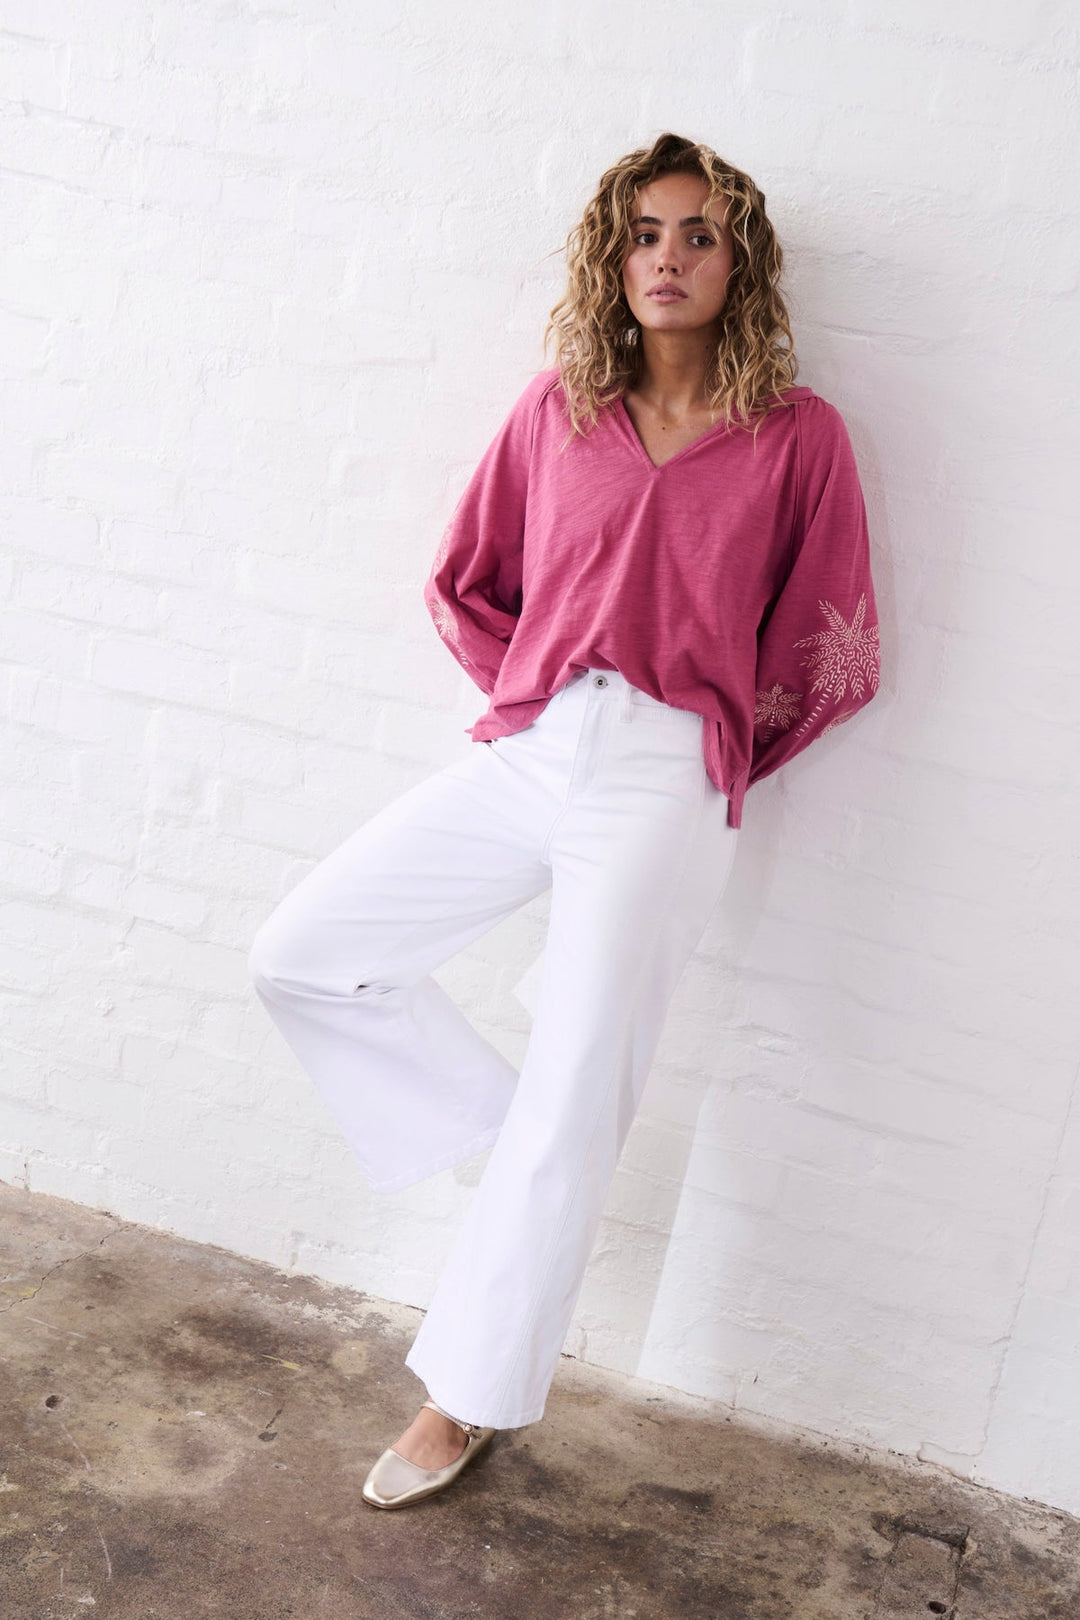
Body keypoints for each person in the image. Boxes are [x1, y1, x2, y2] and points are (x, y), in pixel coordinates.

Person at [247, 131, 881, 1511]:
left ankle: (463, 1398)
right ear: (614, 257)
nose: (670, 257)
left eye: (700, 235)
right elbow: (469, 579)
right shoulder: (561, 408)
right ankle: (522, 1135)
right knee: (304, 953)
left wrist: (714, 757)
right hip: (534, 746)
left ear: (741, 262)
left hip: (667, 772)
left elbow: (833, 649)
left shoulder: (800, 438)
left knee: (581, 1088)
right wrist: (534, 695)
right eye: (646, 233)